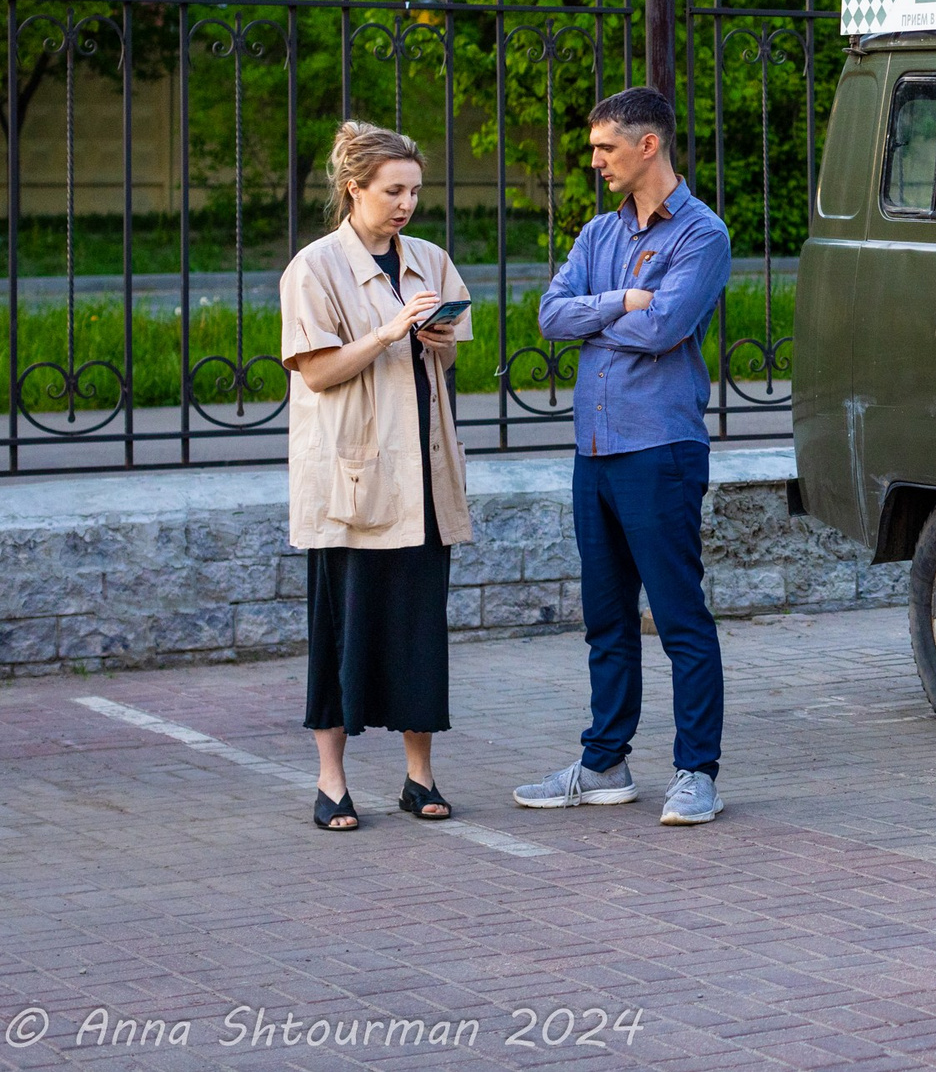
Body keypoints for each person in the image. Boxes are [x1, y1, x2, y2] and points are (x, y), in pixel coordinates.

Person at [515, 87, 733, 825]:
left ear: (648, 145)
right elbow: (551, 315)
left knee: (678, 618)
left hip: (660, 450)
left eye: (605, 147)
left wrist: (608, 313)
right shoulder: (597, 234)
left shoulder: (702, 234)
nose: (595, 160)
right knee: (606, 621)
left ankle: (697, 772)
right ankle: (604, 762)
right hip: (596, 450)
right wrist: (621, 302)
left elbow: (666, 327)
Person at [280, 122, 476, 831]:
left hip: (422, 474)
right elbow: (317, 370)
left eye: (415, 191)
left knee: (419, 629)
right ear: (353, 188)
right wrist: (390, 332)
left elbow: (448, 359)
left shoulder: (429, 259)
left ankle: (419, 777)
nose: (406, 205)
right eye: (393, 191)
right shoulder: (314, 268)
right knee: (342, 629)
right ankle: (331, 781)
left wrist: (438, 339)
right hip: (353, 477)